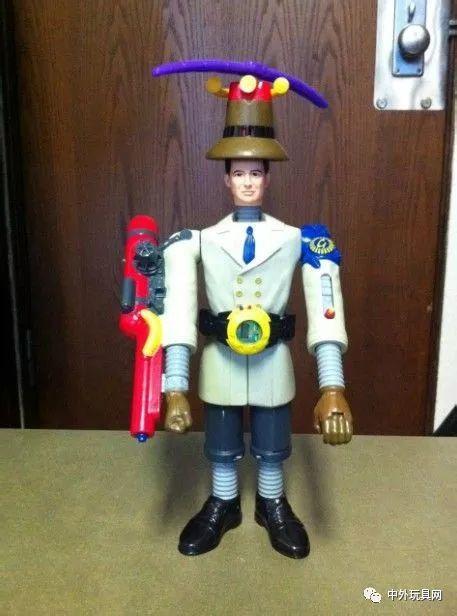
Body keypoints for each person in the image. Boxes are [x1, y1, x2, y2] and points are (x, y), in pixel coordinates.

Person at [157, 72, 353, 559]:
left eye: (256, 172)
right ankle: (223, 503)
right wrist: (174, 386)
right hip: (221, 360)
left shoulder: (298, 239)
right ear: (226, 178)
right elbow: (179, 310)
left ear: (268, 176)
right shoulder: (198, 240)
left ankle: (272, 503)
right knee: (222, 442)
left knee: (271, 442)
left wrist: (333, 387)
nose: (247, 182)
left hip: (271, 361)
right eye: (239, 173)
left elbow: (325, 307)